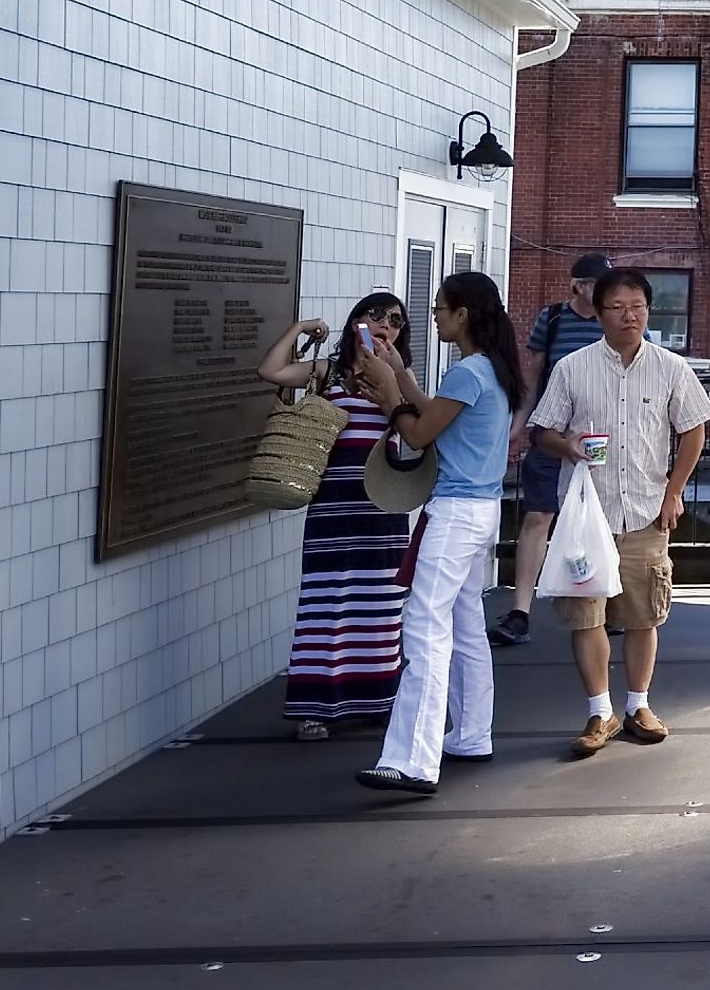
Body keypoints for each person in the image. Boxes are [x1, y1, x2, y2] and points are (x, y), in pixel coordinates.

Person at [531, 269, 710, 759]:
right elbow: (541, 430)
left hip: (647, 510)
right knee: (585, 616)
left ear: (649, 311)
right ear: (599, 311)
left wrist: (675, 491)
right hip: (587, 515)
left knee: (642, 614)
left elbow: (695, 430)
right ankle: (599, 710)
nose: (629, 315)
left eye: (637, 306)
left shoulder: (671, 368)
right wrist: (567, 445)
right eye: (617, 307)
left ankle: (639, 706)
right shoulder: (572, 367)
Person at [354, 272, 523, 795]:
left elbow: (418, 432)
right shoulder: (490, 369)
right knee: (466, 622)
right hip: (483, 509)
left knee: (424, 626)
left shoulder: (467, 372)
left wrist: (386, 391)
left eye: (439, 309)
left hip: (453, 514)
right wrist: (400, 374)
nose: (433, 316)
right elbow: (434, 413)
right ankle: (471, 733)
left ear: (463, 315)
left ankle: (412, 759)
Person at [255, 294, 414, 741]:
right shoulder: (327, 373)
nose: (385, 326)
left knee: (380, 607)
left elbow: (413, 431)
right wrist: (300, 329)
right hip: (333, 503)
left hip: (383, 503)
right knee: (326, 603)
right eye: (375, 316)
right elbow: (270, 372)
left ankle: (376, 701)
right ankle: (315, 707)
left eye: (396, 322)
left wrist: (392, 378)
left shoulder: (399, 378)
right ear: (356, 323)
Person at [491, 254, 611, 649]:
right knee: (538, 516)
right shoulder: (554, 319)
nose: (604, 291)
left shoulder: (616, 319)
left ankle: (605, 602)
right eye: (597, 284)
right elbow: (532, 373)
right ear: (577, 285)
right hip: (552, 430)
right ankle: (520, 611)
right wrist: (517, 426)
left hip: (599, 436)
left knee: (605, 518)